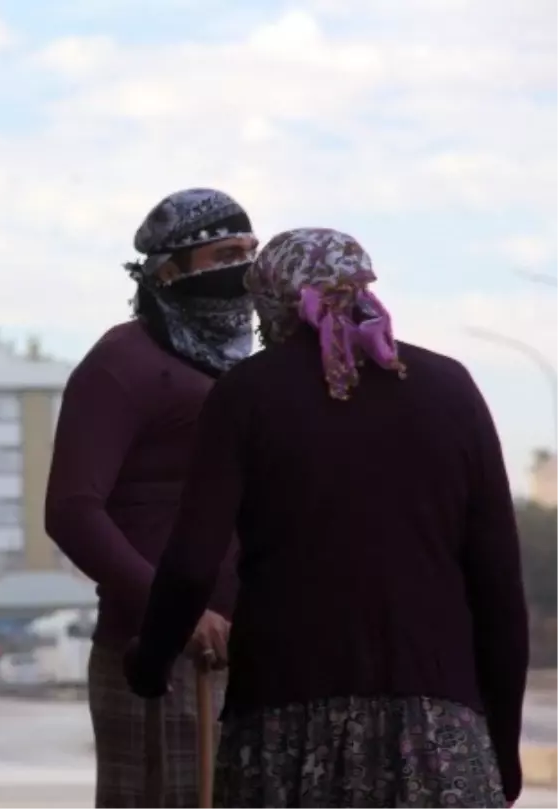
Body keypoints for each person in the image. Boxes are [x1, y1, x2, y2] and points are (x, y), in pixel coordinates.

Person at [127, 227, 528, 808]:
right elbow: (497, 590)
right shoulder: (451, 387)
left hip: (286, 723)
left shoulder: (246, 394)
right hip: (438, 728)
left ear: (269, 301)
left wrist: (150, 661)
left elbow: (192, 565)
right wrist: (502, 746)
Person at [46, 188, 257, 808]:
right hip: (159, 659)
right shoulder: (120, 365)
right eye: (224, 253)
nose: (243, 268)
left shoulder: (245, 365)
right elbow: (71, 511)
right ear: (168, 271)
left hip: (251, 659)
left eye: (250, 250)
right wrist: (176, 614)